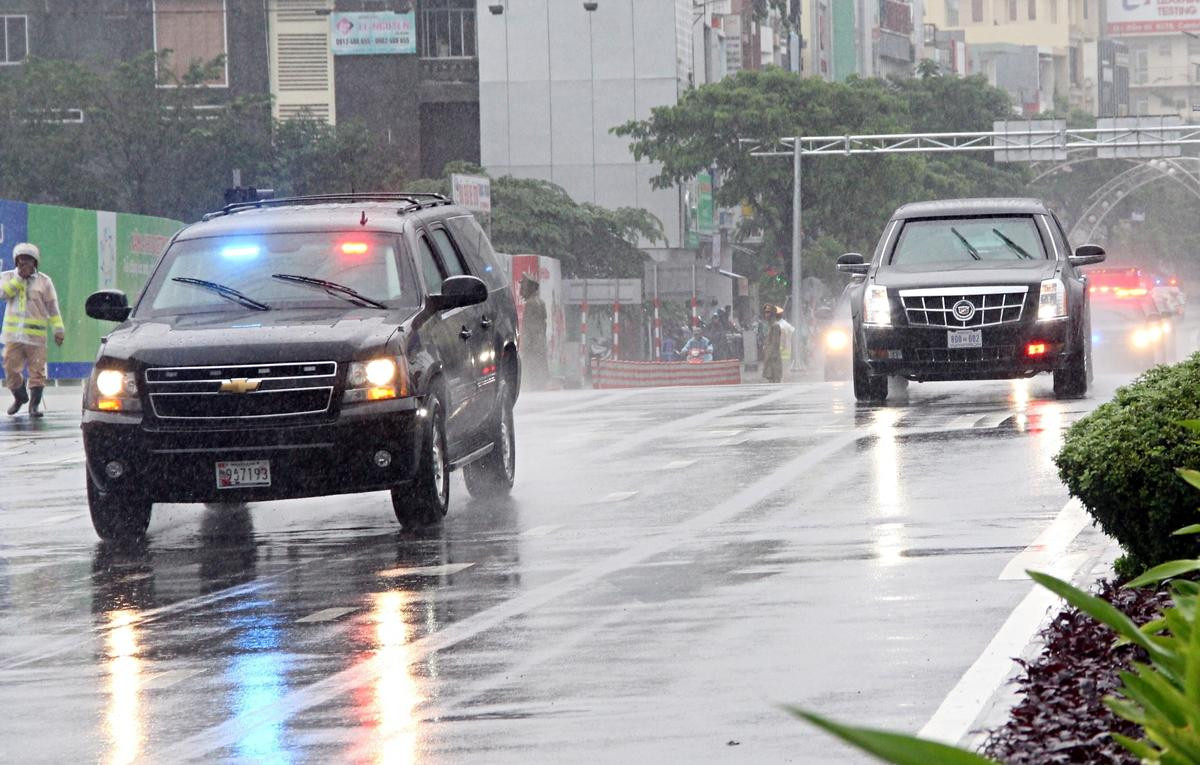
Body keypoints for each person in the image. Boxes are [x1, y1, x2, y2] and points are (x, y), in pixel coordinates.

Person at [2, 243, 64, 417]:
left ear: (35, 262)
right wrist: (19, 279)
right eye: (21, 260)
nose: (24, 264)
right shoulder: (8, 277)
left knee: (37, 372)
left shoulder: (44, 281)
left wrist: (58, 330)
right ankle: (20, 397)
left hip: (36, 338)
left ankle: (34, 406)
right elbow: (2, 293)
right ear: (16, 261)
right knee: (11, 369)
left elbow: (53, 307)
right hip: (13, 336)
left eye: (28, 260)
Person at [519, 274, 548, 388]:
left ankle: (534, 385)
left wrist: (526, 343)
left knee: (532, 365)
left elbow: (529, 326)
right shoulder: (540, 302)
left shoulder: (531, 304)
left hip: (533, 343)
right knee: (538, 364)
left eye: (523, 288)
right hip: (539, 342)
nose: (521, 291)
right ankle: (538, 384)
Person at [762, 305, 783, 383]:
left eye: (768, 313)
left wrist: (772, 355)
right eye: (765, 313)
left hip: (773, 357)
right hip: (769, 356)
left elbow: (775, 342)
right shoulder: (770, 326)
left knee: (775, 379)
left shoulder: (775, 326)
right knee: (770, 379)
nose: (766, 315)